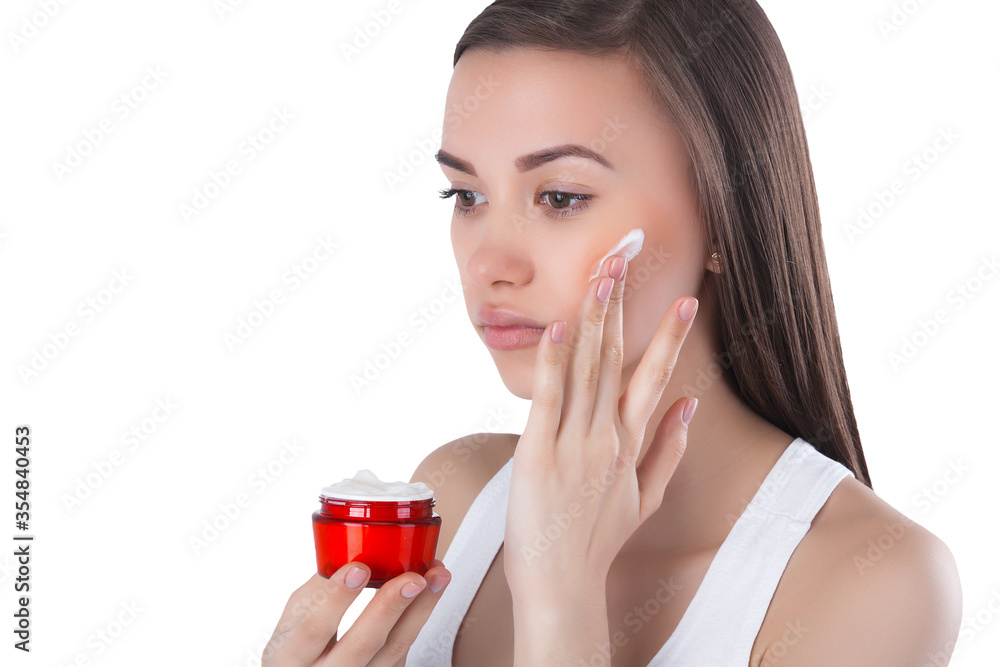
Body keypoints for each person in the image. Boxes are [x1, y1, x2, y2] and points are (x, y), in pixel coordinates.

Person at [264, 1, 963, 664]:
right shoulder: (458, 490)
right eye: (467, 196)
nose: (487, 265)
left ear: (726, 217)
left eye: (561, 197)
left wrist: (562, 598)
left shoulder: (876, 582)